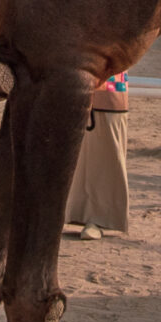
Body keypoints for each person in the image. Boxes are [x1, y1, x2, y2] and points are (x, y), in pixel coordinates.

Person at [64, 72, 131, 237]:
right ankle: (70, 213)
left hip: (108, 76)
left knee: (106, 140)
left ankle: (99, 218)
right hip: (72, 75)